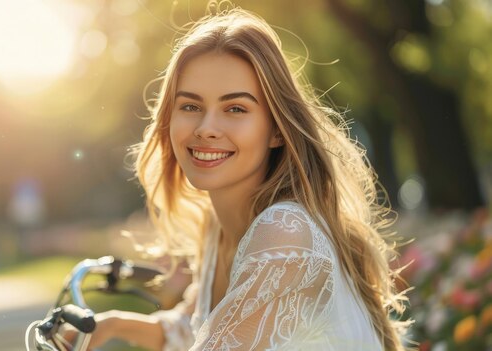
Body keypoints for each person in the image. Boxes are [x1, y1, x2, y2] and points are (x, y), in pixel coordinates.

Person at [62, 4, 412, 350]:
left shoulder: (284, 231)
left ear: (277, 130)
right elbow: (195, 325)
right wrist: (111, 325)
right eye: (190, 106)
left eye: (235, 109)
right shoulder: (222, 227)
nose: (206, 128)